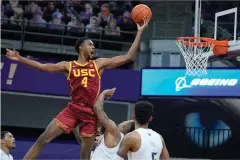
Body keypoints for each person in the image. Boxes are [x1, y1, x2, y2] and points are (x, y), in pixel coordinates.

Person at [6, 17, 150, 160]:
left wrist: (139, 32)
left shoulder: (98, 64)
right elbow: (41, 67)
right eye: (90, 44)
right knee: (44, 138)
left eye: (94, 45)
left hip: (90, 113)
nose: (93, 47)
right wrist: (20, 58)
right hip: (73, 109)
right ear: (81, 47)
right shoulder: (68, 66)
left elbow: (128, 57)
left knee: (85, 155)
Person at [91, 88, 123, 160]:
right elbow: (82, 142)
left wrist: (104, 93)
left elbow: (97, 108)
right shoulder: (103, 137)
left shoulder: (113, 131)